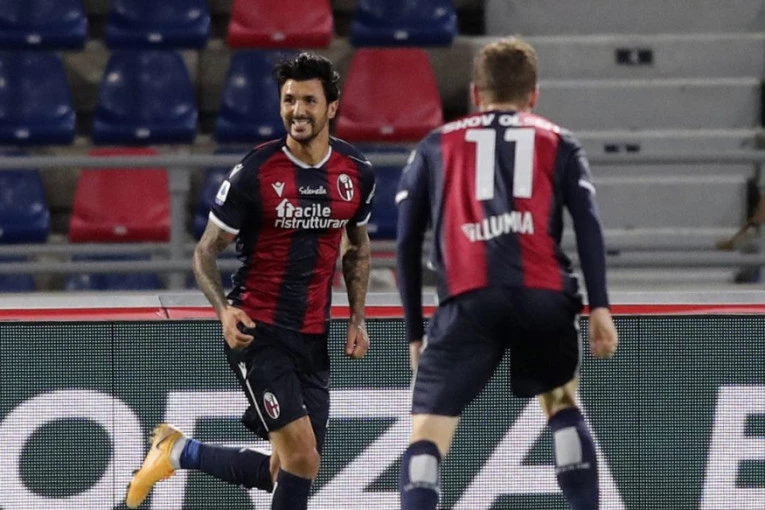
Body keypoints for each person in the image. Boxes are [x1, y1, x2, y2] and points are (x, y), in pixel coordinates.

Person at [125, 52, 375, 510]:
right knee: (302, 458)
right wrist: (224, 310)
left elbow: (357, 247)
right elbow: (205, 251)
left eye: (309, 100)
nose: (298, 110)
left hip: (313, 336)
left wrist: (357, 316)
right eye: (289, 100)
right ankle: (178, 451)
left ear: (332, 107)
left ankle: (179, 451)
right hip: (259, 331)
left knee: (292, 468)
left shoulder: (357, 173)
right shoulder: (255, 172)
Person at [395, 37, 619, 510]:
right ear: (533, 94)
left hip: (467, 297)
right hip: (543, 294)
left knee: (428, 436)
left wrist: (415, 331)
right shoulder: (559, 141)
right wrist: (600, 306)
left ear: (475, 93)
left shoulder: (434, 145)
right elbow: (589, 223)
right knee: (561, 404)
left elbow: (407, 242)